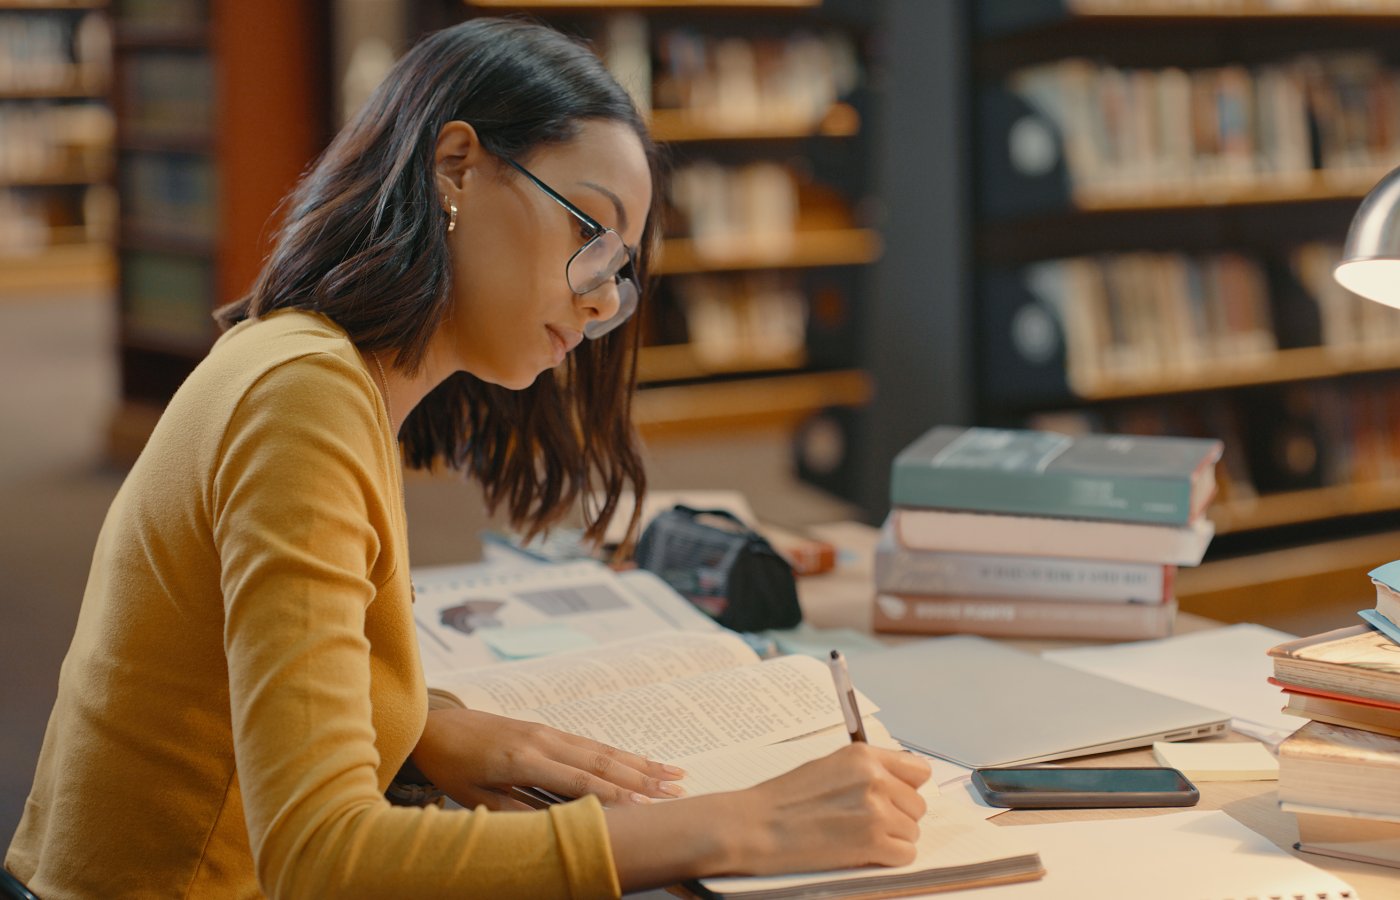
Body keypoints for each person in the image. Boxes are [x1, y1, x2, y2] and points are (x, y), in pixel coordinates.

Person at [5, 18, 929, 899]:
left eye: (622, 266)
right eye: (588, 233)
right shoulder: (303, 398)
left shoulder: (317, 372)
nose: (605, 302)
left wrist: (420, 727)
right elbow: (323, 861)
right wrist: (748, 825)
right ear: (457, 167)